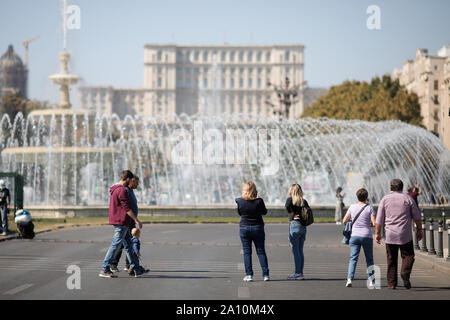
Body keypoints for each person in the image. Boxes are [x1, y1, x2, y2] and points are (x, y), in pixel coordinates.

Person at [375, 179, 423, 290]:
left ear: (390, 188)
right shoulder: (408, 198)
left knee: (391, 259)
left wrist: (377, 233)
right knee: (408, 255)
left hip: (390, 235)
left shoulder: (385, 199)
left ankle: (392, 283)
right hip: (405, 234)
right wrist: (420, 230)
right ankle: (405, 272)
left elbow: (379, 220)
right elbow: (417, 217)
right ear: (402, 188)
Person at [99, 170, 148, 278]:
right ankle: (105, 268)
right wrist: (136, 220)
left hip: (122, 222)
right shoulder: (122, 190)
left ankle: (136, 269)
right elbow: (126, 208)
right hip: (121, 222)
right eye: (131, 180)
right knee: (115, 245)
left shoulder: (116, 189)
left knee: (129, 246)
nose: (132, 182)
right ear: (127, 179)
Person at [235, 181, 270, 282]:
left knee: (247, 252)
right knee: (261, 251)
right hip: (257, 227)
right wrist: (258, 198)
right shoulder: (259, 201)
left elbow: (240, 213)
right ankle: (265, 275)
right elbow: (265, 212)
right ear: (254, 190)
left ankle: (249, 275)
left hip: (244, 228)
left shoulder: (240, 201)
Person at [342, 188, 376, 288]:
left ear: (357, 197)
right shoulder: (369, 208)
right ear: (367, 197)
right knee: (369, 259)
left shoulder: (352, 207)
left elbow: (344, 220)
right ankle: (371, 280)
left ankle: (349, 279)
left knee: (353, 258)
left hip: (354, 236)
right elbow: (374, 223)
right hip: (366, 236)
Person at [110, 176, 141, 272]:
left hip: (130, 221)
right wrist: (134, 219)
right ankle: (113, 264)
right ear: (131, 182)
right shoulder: (126, 190)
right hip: (127, 221)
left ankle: (130, 265)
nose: (138, 184)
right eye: (136, 182)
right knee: (122, 243)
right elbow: (125, 207)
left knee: (128, 243)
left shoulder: (130, 190)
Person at [285, 184, 309, 280]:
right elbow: (308, 212)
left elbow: (287, 208)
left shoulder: (290, 200)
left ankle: (297, 272)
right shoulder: (304, 201)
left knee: (295, 251)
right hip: (303, 227)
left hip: (295, 225)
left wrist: (292, 215)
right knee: (300, 251)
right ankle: (300, 273)